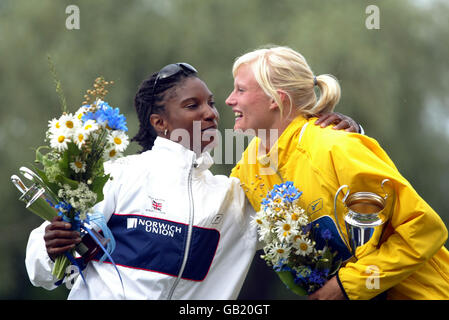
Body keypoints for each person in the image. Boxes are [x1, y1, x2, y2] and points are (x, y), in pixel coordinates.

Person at [25, 62, 359, 299]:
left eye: (211, 104)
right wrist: (48, 246)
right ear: (160, 122)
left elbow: (301, 194)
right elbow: (42, 272)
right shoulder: (119, 175)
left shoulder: (234, 198)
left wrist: (334, 136)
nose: (211, 113)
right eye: (192, 105)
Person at [226, 45, 449, 300]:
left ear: (277, 99)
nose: (229, 100)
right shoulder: (251, 163)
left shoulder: (336, 147)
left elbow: (425, 229)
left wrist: (345, 286)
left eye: (240, 90)